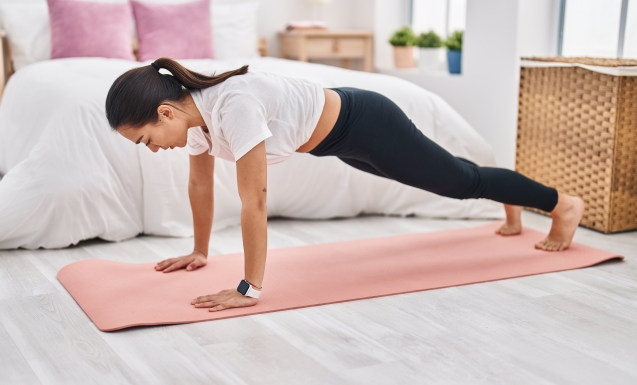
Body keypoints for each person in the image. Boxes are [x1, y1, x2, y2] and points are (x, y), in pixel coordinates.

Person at [105, 57, 585, 312]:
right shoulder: (196, 122)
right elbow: (201, 187)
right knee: (454, 175)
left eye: (146, 139)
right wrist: (201, 251)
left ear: (166, 111)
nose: (151, 149)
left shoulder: (233, 106)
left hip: (366, 123)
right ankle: (510, 201)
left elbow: (254, 202)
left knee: (458, 182)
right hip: (343, 142)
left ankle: (561, 204)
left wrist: (248, 288)